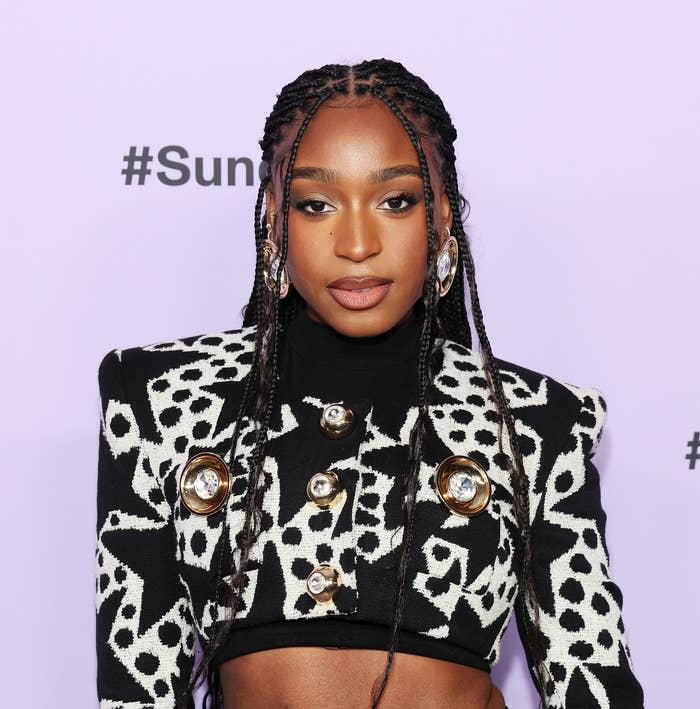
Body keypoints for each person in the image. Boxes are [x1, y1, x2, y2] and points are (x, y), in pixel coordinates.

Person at [95, 59, 645, 709]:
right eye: (317, 203)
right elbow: (135, 689)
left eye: (396, 200)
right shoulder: (159, 401)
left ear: (441, 217)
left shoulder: (537, 422)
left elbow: (593, 681)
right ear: (275, 220)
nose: (357, 241)